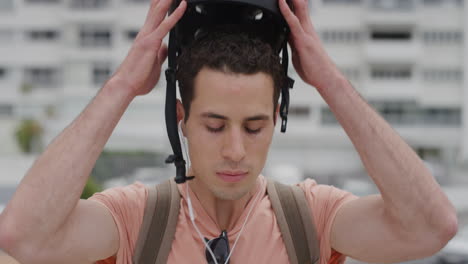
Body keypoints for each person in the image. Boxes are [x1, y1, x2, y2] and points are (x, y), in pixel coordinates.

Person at [0, 0, 458, 263]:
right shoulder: (136, 220)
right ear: (182, 117)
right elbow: (24, 237)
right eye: (215, 125)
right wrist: (121, 85)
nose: (236, 150)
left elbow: (430, 227)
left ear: (278, 115)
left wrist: (330, 80)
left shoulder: (309, 218)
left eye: (255, 127)